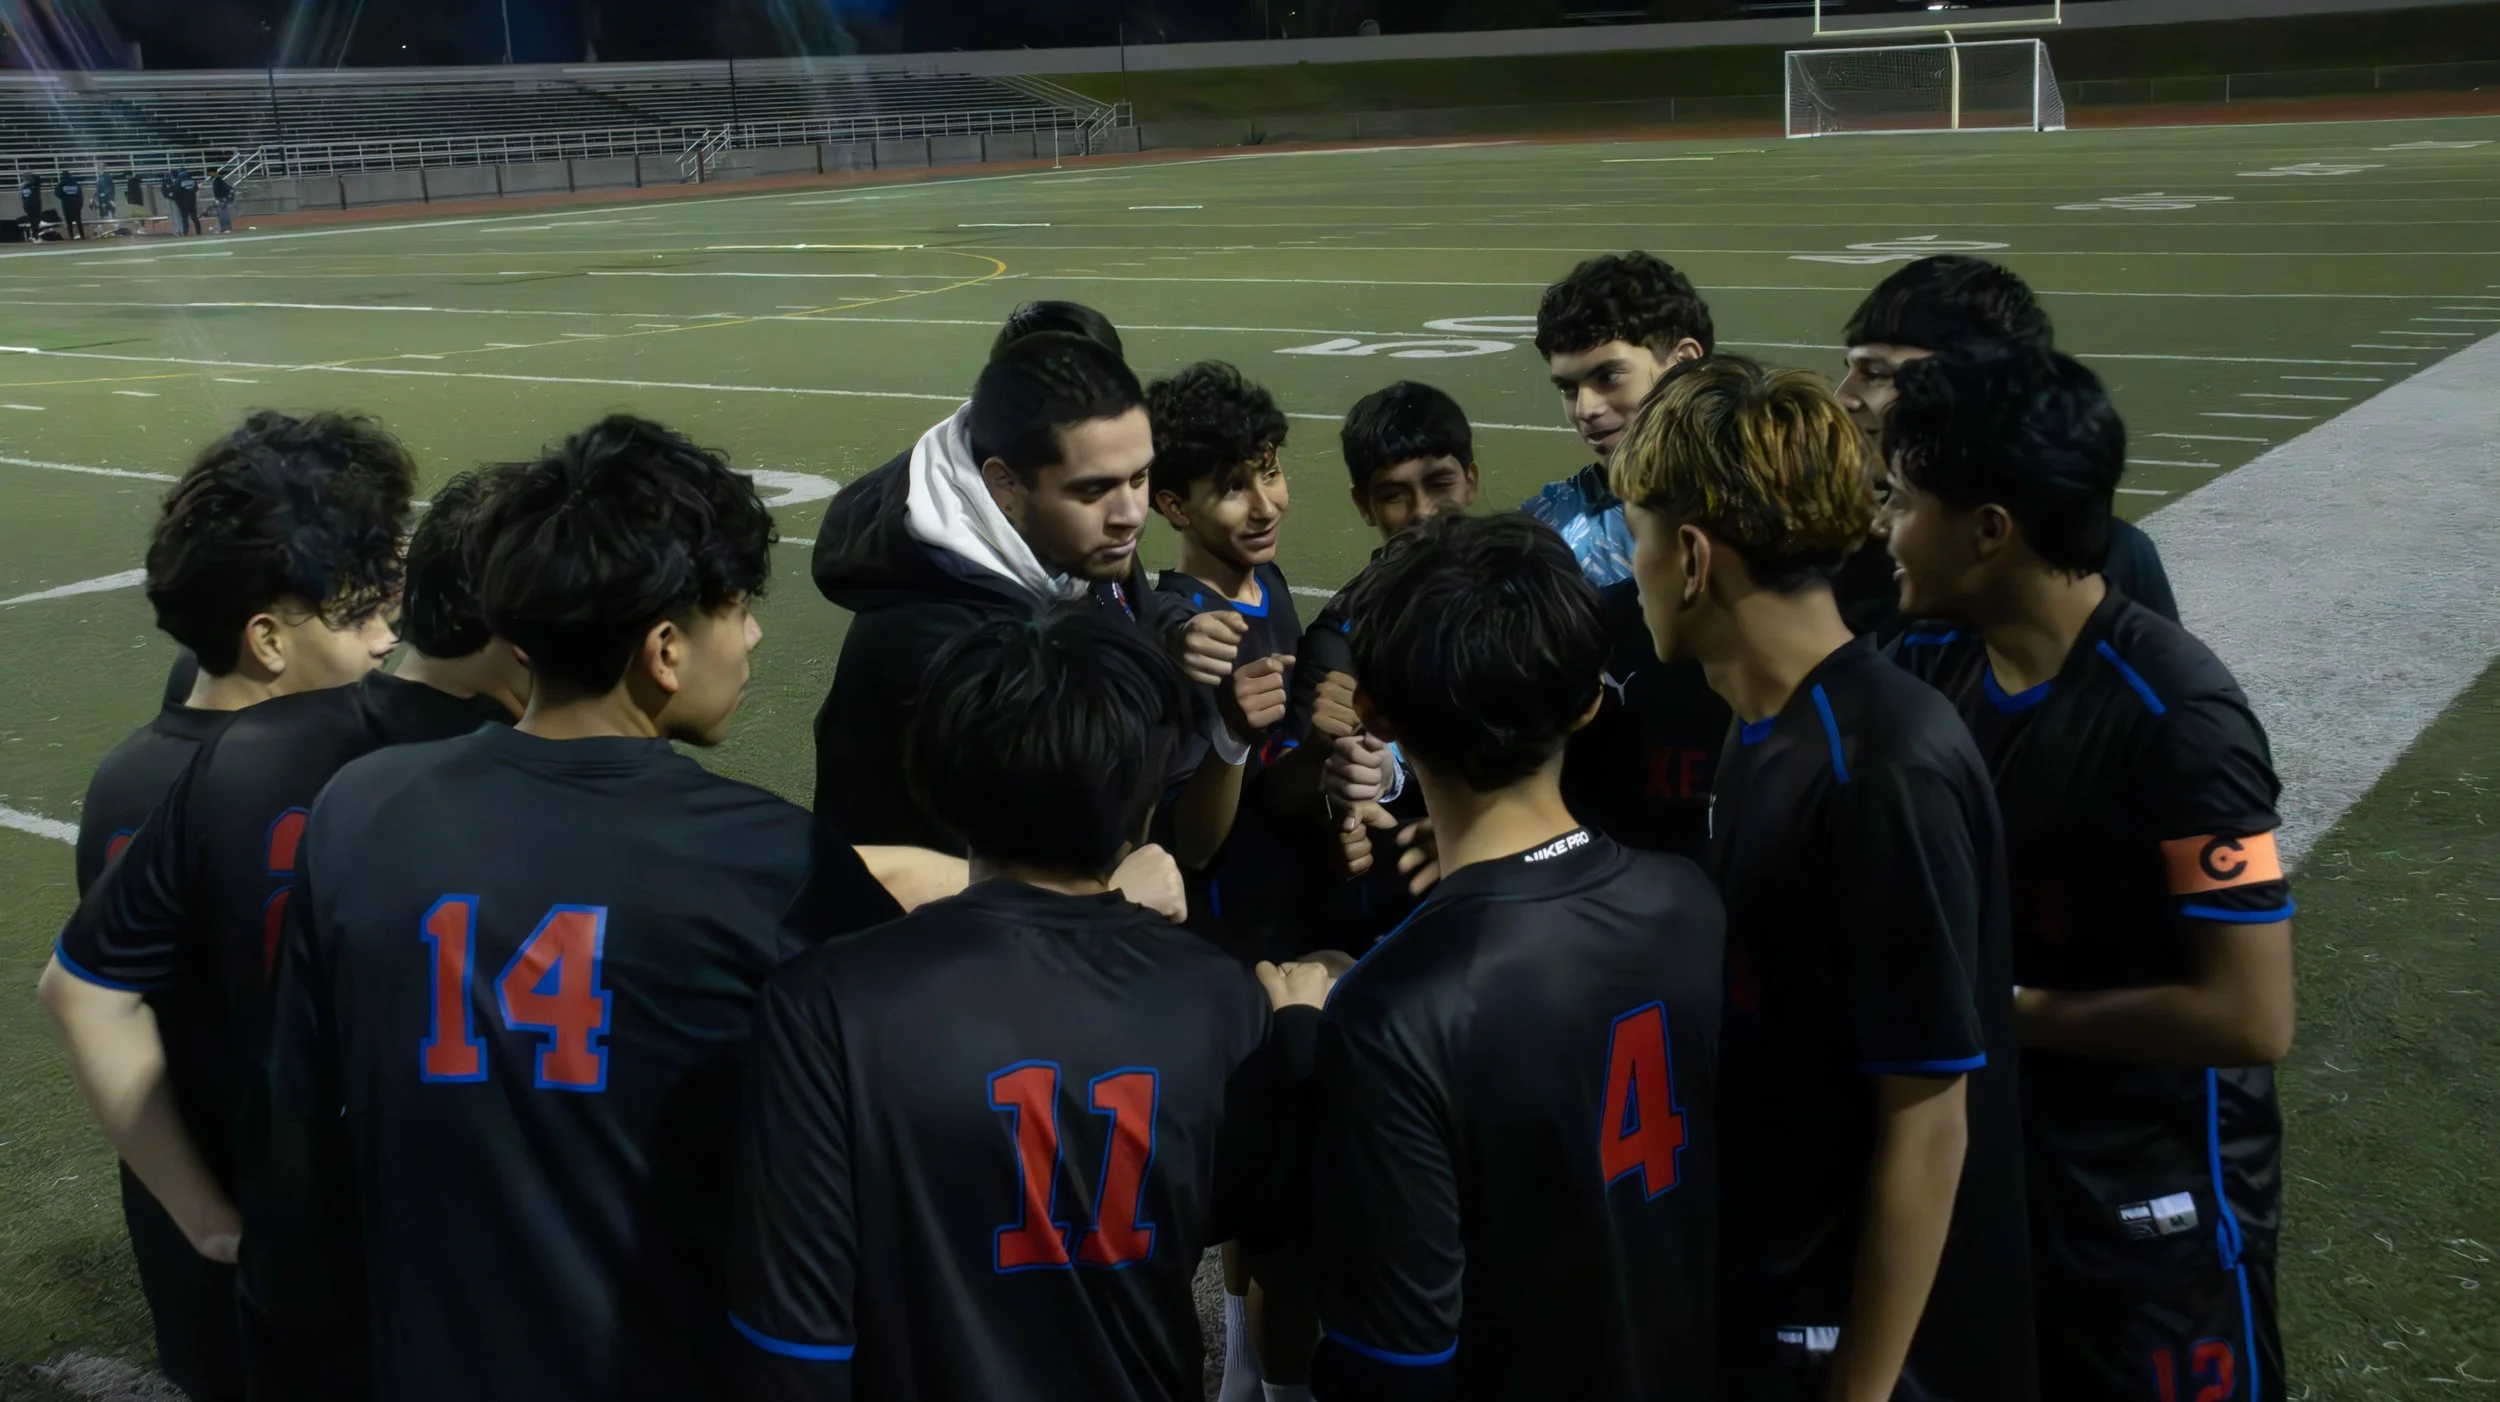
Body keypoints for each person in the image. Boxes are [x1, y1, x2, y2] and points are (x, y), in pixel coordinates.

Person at [253, 416, 943, 1401]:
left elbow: (298, 1151)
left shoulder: (360, 810)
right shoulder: (771, 859)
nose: (748, 635)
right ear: (663, 648)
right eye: (736, 607)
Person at [728, 608, 1322, 1401]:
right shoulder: (1216, 998)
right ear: (1141, 792)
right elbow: (1270, 1217)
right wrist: (1299, 1041)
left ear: (934, 779)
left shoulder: (827, 1001)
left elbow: (791, 1333)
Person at [1612, 358, 2037, 1402]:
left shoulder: (1879, 767)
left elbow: (1928, 1114)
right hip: (1786, 1297)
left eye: (1638, 538)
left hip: (1871, 1349)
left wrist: (1860, 1385)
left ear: (1694, 556)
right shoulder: (1773, 723)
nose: (1634, 570)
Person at [55, 465, 527, 1392]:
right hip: (291, 1198)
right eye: (356, 616)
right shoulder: (324, 775)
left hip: (202, 1192)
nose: (388, 637)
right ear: (267, 638)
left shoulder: (137, 769)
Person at [1883, 346, 2294, 1402]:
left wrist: (1997, 1011)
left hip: (2153, 1216)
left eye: (1901, 503)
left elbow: (2251, 1016)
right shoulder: (1932, 667)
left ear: (1988, 530)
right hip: (2012, 1178)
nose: (1883, 533)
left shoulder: (2178, 716)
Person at [1309, 512, 1725, 1400]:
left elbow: (1396, 1363)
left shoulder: (1392, 1011)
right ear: (1586, 701)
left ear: (1374, 713)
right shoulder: (1691, 902)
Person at [809, 329, 1261, 870]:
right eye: (1093, 489)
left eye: (1139, 477)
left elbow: (1121, 599)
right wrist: (1109, 899)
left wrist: (1174, 632)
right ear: (1004, 485)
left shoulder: (1074, 535)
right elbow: (962, 880)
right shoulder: (939, 648)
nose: (1132, 515)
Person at [1835, 254, 2178, 640]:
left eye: (1876, 375)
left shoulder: (2113, 559)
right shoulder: (1840, 544)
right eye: (1850, 370)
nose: (1843, 397)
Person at [1527, 251, 1731, 861]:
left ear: (1685, 362)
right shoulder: (1549, 534)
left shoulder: (1777, 505)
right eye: (1568, 388)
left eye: (1608, 377)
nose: (1585, 409)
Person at [1276, 381, 1482, 942]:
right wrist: (1334, 778)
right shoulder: (1339, 635)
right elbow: (1292, 802)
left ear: (1471, 480)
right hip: (1411, 913)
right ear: (1363, 505)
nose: (1422, 513)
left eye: (1438, 483)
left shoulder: (1520, 594)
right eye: (1394, 494)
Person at [1145, 360, 1305, 953]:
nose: (1267, 506)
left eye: (1270, 472)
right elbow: (1193, 846)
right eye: (1234, 488)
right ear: (1177, 507)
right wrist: (1230, 735)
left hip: (1282, 890)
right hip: (1220, 932)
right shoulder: (1188, 639)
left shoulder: (1269, 581)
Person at [166, 168, 202, 236]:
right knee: (194, 217)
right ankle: (198, 231)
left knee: (184, 218)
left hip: (183, 203)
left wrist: (173, 197)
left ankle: (185, 232)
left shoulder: (179, 181)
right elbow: (196, 189)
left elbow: (176, 191)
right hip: (192, 202)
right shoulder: (192, 180)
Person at [56, 171, 84, 239]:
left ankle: (71, 236)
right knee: (78, 221)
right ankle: (82, 235)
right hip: (76, 204)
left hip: (66, 205)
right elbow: (80, 194)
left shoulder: (61, 184)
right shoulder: (74, 183)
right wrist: (80, 204)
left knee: (68, 222)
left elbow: (57, 193)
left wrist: (65, 198)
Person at [211, 167, 236, 234]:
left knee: (223, 214)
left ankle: (224, 228)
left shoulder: (218, 181)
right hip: (222, 199)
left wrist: (220, 199)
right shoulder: (220, 181)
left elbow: (218, 192)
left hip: (221, 199)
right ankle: (224, 228)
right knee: (223, 214)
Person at [18, 171, 41, 238]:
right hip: (33, 205)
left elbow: (39, 180)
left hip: (30, 205)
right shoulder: (29, 186)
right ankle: (35, 235)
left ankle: (35, 234)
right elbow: (22, 197)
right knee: (34, 220)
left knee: (35, 220)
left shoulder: (31, 185)